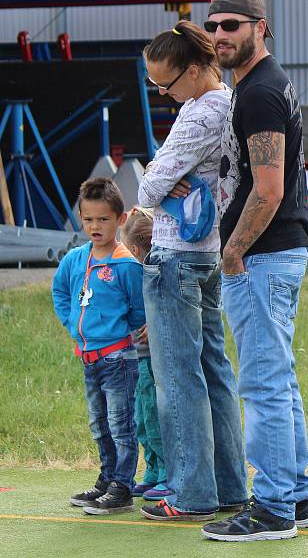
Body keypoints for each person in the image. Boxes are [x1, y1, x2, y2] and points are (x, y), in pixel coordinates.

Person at [198, 0, 308, 542]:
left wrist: (233, 250)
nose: (220, 35)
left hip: (264, 255)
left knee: (264, 384)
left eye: (231, 26)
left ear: (259, 28)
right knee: (279, 378)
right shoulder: (263, 85)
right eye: (214, 25)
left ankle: (272, 508)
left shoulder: (260, 93)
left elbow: (267, 190)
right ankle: (295, 498)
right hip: (278, 251)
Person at [138, 20, 248, 521]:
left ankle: (190, 493)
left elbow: (147, 187)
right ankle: (227, 486)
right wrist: (169, 178)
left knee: (179, 378)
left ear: (198, 68)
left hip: (174, 255)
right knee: (214, 372)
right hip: (209, 253)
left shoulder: (197, 113)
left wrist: (165, 177)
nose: (164, 94)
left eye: (168, 83)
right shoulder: (230, 102)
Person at [52, 177, 145, 515]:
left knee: (122, 424)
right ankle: (106, 480)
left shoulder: (126, 265)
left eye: (103, 219)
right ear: (80, 219)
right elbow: (61, 292)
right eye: (89, 219)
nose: (95, 226)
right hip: (88, 359)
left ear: (120, 220)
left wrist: (122, 328)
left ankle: (123, 486)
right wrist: (70, 322)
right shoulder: (75, 260)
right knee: (98, 423)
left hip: (118, 358)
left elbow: (139, 308)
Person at [119, 207, 168, 500]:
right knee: (141, 416)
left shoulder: (151, 274)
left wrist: (154, 321)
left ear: (135, 248)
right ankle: (151, 468)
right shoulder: (135, 274)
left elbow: (160, 306)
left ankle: (165, 471)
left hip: (150, 359)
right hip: (134, 359)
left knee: (153, 415)